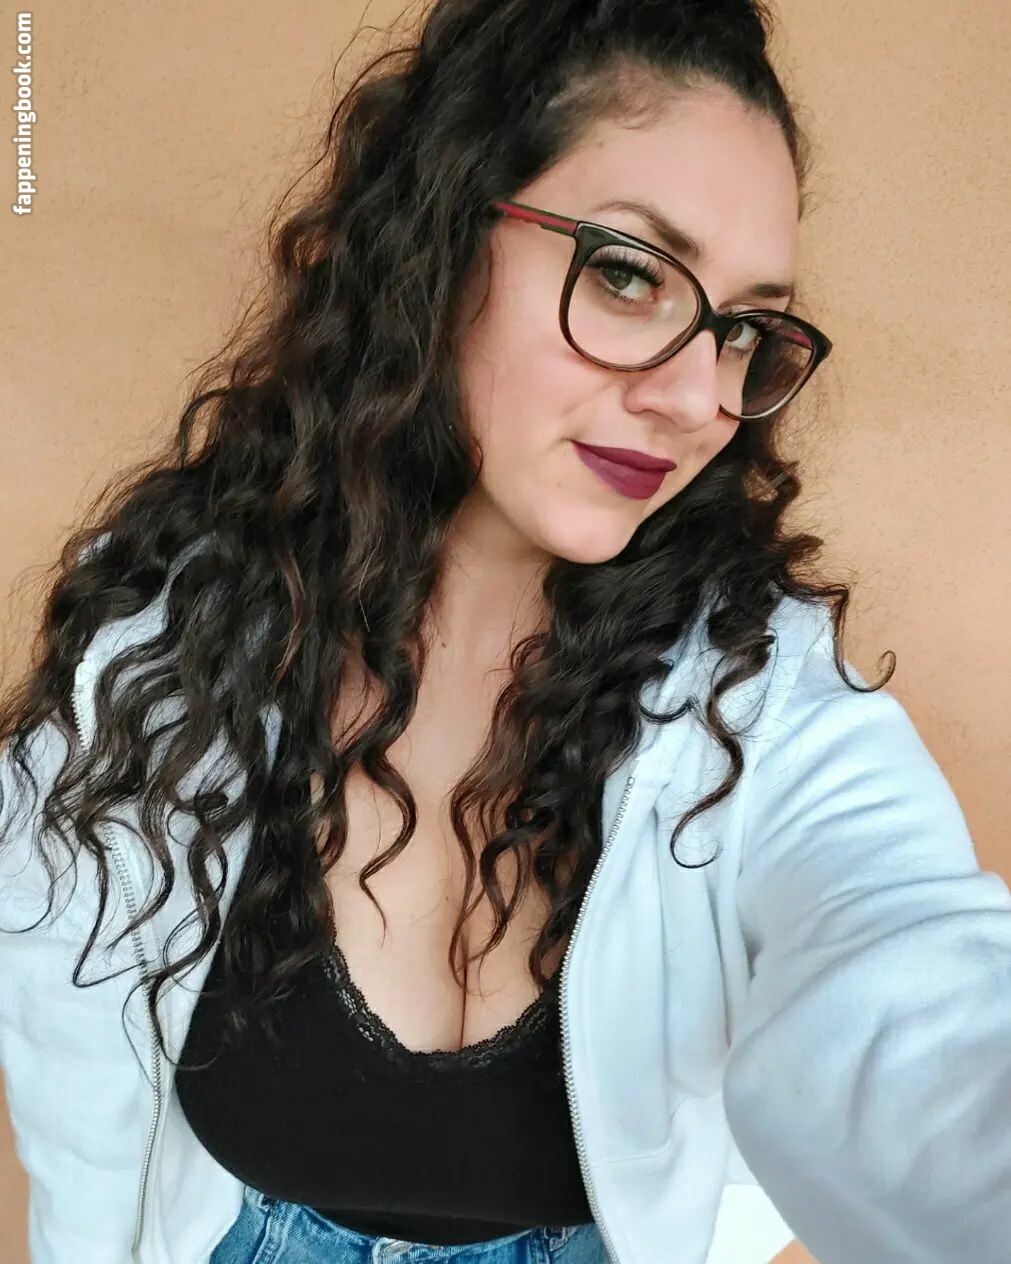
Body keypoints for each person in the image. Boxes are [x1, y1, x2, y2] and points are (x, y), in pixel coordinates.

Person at [2, 1, 1010, 1262]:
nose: (698, 396)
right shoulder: (164, 641)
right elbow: (76, 1086)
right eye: (630, 273)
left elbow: (912, 978)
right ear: (441, 237)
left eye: (745, 329)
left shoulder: (759, 710)